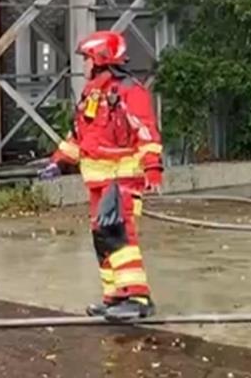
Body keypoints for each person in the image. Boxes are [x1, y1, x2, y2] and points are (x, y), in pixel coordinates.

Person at [39, 30, 164, 322]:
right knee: (103, 238)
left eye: (86, 59)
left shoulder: (130, 92)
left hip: (122, 181)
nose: (83, 65)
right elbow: (80, 136)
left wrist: (153, 168)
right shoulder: (91, 94)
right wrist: (58, 163)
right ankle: (114, 297)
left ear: (100, 59)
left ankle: (137, 297)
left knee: (120, 236)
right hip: (97, 182)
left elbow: (146, 131)